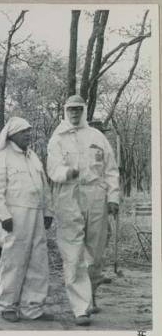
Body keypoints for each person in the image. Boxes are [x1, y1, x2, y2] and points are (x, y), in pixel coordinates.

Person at [47, 95, 119, 326]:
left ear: (84, 110)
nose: (75, 113)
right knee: (73, 252)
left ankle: (92, 292)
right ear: (65, 111)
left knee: (96, 251)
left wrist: (113, 196)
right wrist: (66, 173)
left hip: (96, 195)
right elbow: (53, 168)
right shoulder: (57, 138)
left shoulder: (97, 137)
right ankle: (81, 308)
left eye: (78, 109)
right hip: (68, 195)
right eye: (71, 109)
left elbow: (110, 169)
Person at [0, 117, 54, 323]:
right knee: (14, 261)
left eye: (29, 131)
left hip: (36, 215)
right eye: (24, 132)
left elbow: (44, 187)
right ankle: (7, 305)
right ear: (12, 134)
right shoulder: (1, 157)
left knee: (38, 261)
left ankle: (33, 308)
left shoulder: (33, 157)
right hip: (14, 217)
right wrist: (3, 215)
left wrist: (47, 212)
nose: (28, 135)